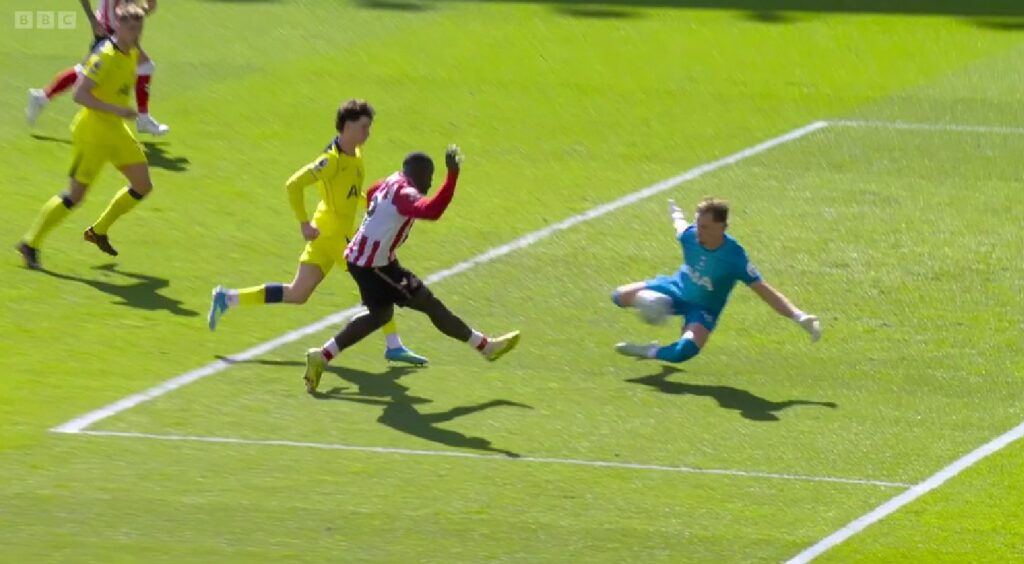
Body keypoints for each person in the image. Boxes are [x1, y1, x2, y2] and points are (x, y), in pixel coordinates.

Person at [207, 100, 427, 366]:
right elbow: (293, 185)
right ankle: (393, 345)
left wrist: (369, 203)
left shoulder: (354, 154)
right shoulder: (330, 161)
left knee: (297, 293)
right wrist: (303, 223)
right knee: (378, 281)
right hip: (335, 235)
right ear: (347, 127)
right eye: (364, 127)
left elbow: (349, 193)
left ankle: (228, 298)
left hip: (328, 233)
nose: (368, 133)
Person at [302, 146, 520, 394]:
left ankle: (322, 356)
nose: (429, 184)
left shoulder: (389, 182)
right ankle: (485, 347)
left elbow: (374, 192)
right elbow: (432, 210)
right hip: (374, 265)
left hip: (363, 259)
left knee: (380, 315)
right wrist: (452, 176)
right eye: (429, 177)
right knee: (429, 303)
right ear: (417, 173)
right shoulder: (405, 193)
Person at [17, 3, 154, 270]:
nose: (136, 33)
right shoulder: (105, 56)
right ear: (117, 26)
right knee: (75, 196)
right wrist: (117, 108)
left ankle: (98, 231)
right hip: (92, 133)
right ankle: (30, 243)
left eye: (139, 28)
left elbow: (143, 71)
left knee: (143, 185)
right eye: (130, 28)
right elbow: (79, 94)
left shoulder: (133, 51)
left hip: (116, 131)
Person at [612, 197, 821, 363]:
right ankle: (659, 305)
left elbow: (766, 292)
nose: (698, 232)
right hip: (675, 289)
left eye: (705, 227)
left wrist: (798, 316)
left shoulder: (734, 258)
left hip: (703, 309)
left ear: (722, 227)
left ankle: (649, 351)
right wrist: (675, 213)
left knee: (683, 351)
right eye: (698, 224)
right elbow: (680, 225)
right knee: (619, 296)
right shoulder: (690, 236)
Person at [26, 0, 169, 136]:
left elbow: (138, 7)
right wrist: (93, 20)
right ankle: (143, 119)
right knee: (144, 66)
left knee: (84, 71)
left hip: (120, 30)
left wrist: (143, 10)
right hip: (109, 30)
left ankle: (42, 97)